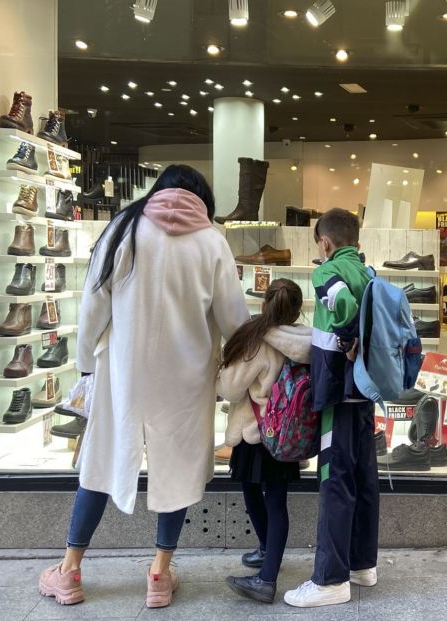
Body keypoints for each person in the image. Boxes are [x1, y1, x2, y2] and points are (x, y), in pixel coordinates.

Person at [37, 165, 249, 609]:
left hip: (123, 371)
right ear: (202, 199)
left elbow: (94, 303)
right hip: (186, 378)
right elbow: (233, 319)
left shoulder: (124, 228)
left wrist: (85, 365)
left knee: (99, 462)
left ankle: (70, 569)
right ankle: (159, 572)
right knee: (176, 468)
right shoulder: (212, 241)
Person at [284, 208, 378, 608]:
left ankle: (330, 579)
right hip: (365, 391)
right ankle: (361, 564)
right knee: (363, 478)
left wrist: (346, 338)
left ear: (325, 242)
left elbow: (341, 307)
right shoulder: (370, 273)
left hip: (337, 392)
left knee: (333, 481)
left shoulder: (326, 272)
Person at [218, 278, 311, 604]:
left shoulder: (255, 341)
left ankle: (267, 577)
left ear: (264, 304)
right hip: (286, 433)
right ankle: (268, 552)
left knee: (253, 492)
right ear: (298, 309)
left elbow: (228, 389)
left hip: (256, 433)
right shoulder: (306, 342)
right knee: (276, 500)